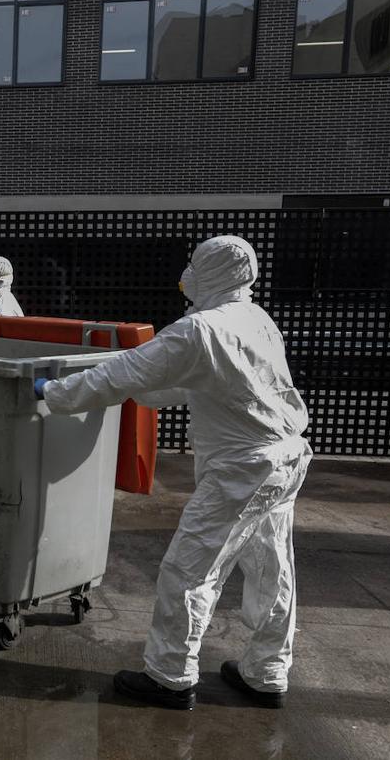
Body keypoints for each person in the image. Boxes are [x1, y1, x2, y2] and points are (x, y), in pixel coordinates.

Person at [35, 235, 311, 711]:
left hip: (241, 471)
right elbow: (203, 381)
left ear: (211, 272)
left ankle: (169, 676)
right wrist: (145, 393)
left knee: (188, 570)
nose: (186, 273)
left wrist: (56, 393)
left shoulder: (199, 329)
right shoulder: (256, 319)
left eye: (194, 264)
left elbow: (120, 373)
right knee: (272, 570)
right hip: (285, 461)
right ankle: (267, 671)